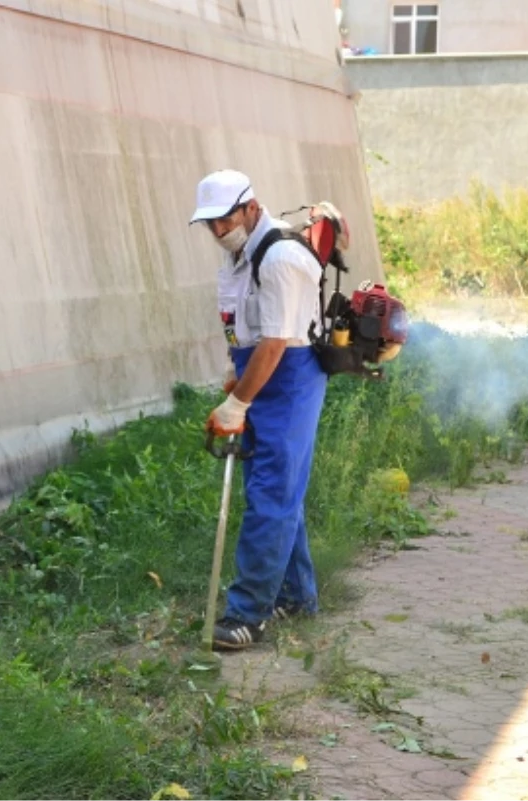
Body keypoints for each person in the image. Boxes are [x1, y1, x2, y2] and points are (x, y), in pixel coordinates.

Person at [190, 169, 329, 651]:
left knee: (271, 492)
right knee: (276, 490)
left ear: (251, 207)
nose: (217, 231)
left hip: (290, 379)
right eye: (209, 224)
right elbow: (246, 334)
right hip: (262, 371)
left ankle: (248, 612)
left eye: (224, 220)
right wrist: (237, 383)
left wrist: (237, 403)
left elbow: (275, 344)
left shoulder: (281, 257)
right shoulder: (236, 260)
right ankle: (296, 595)